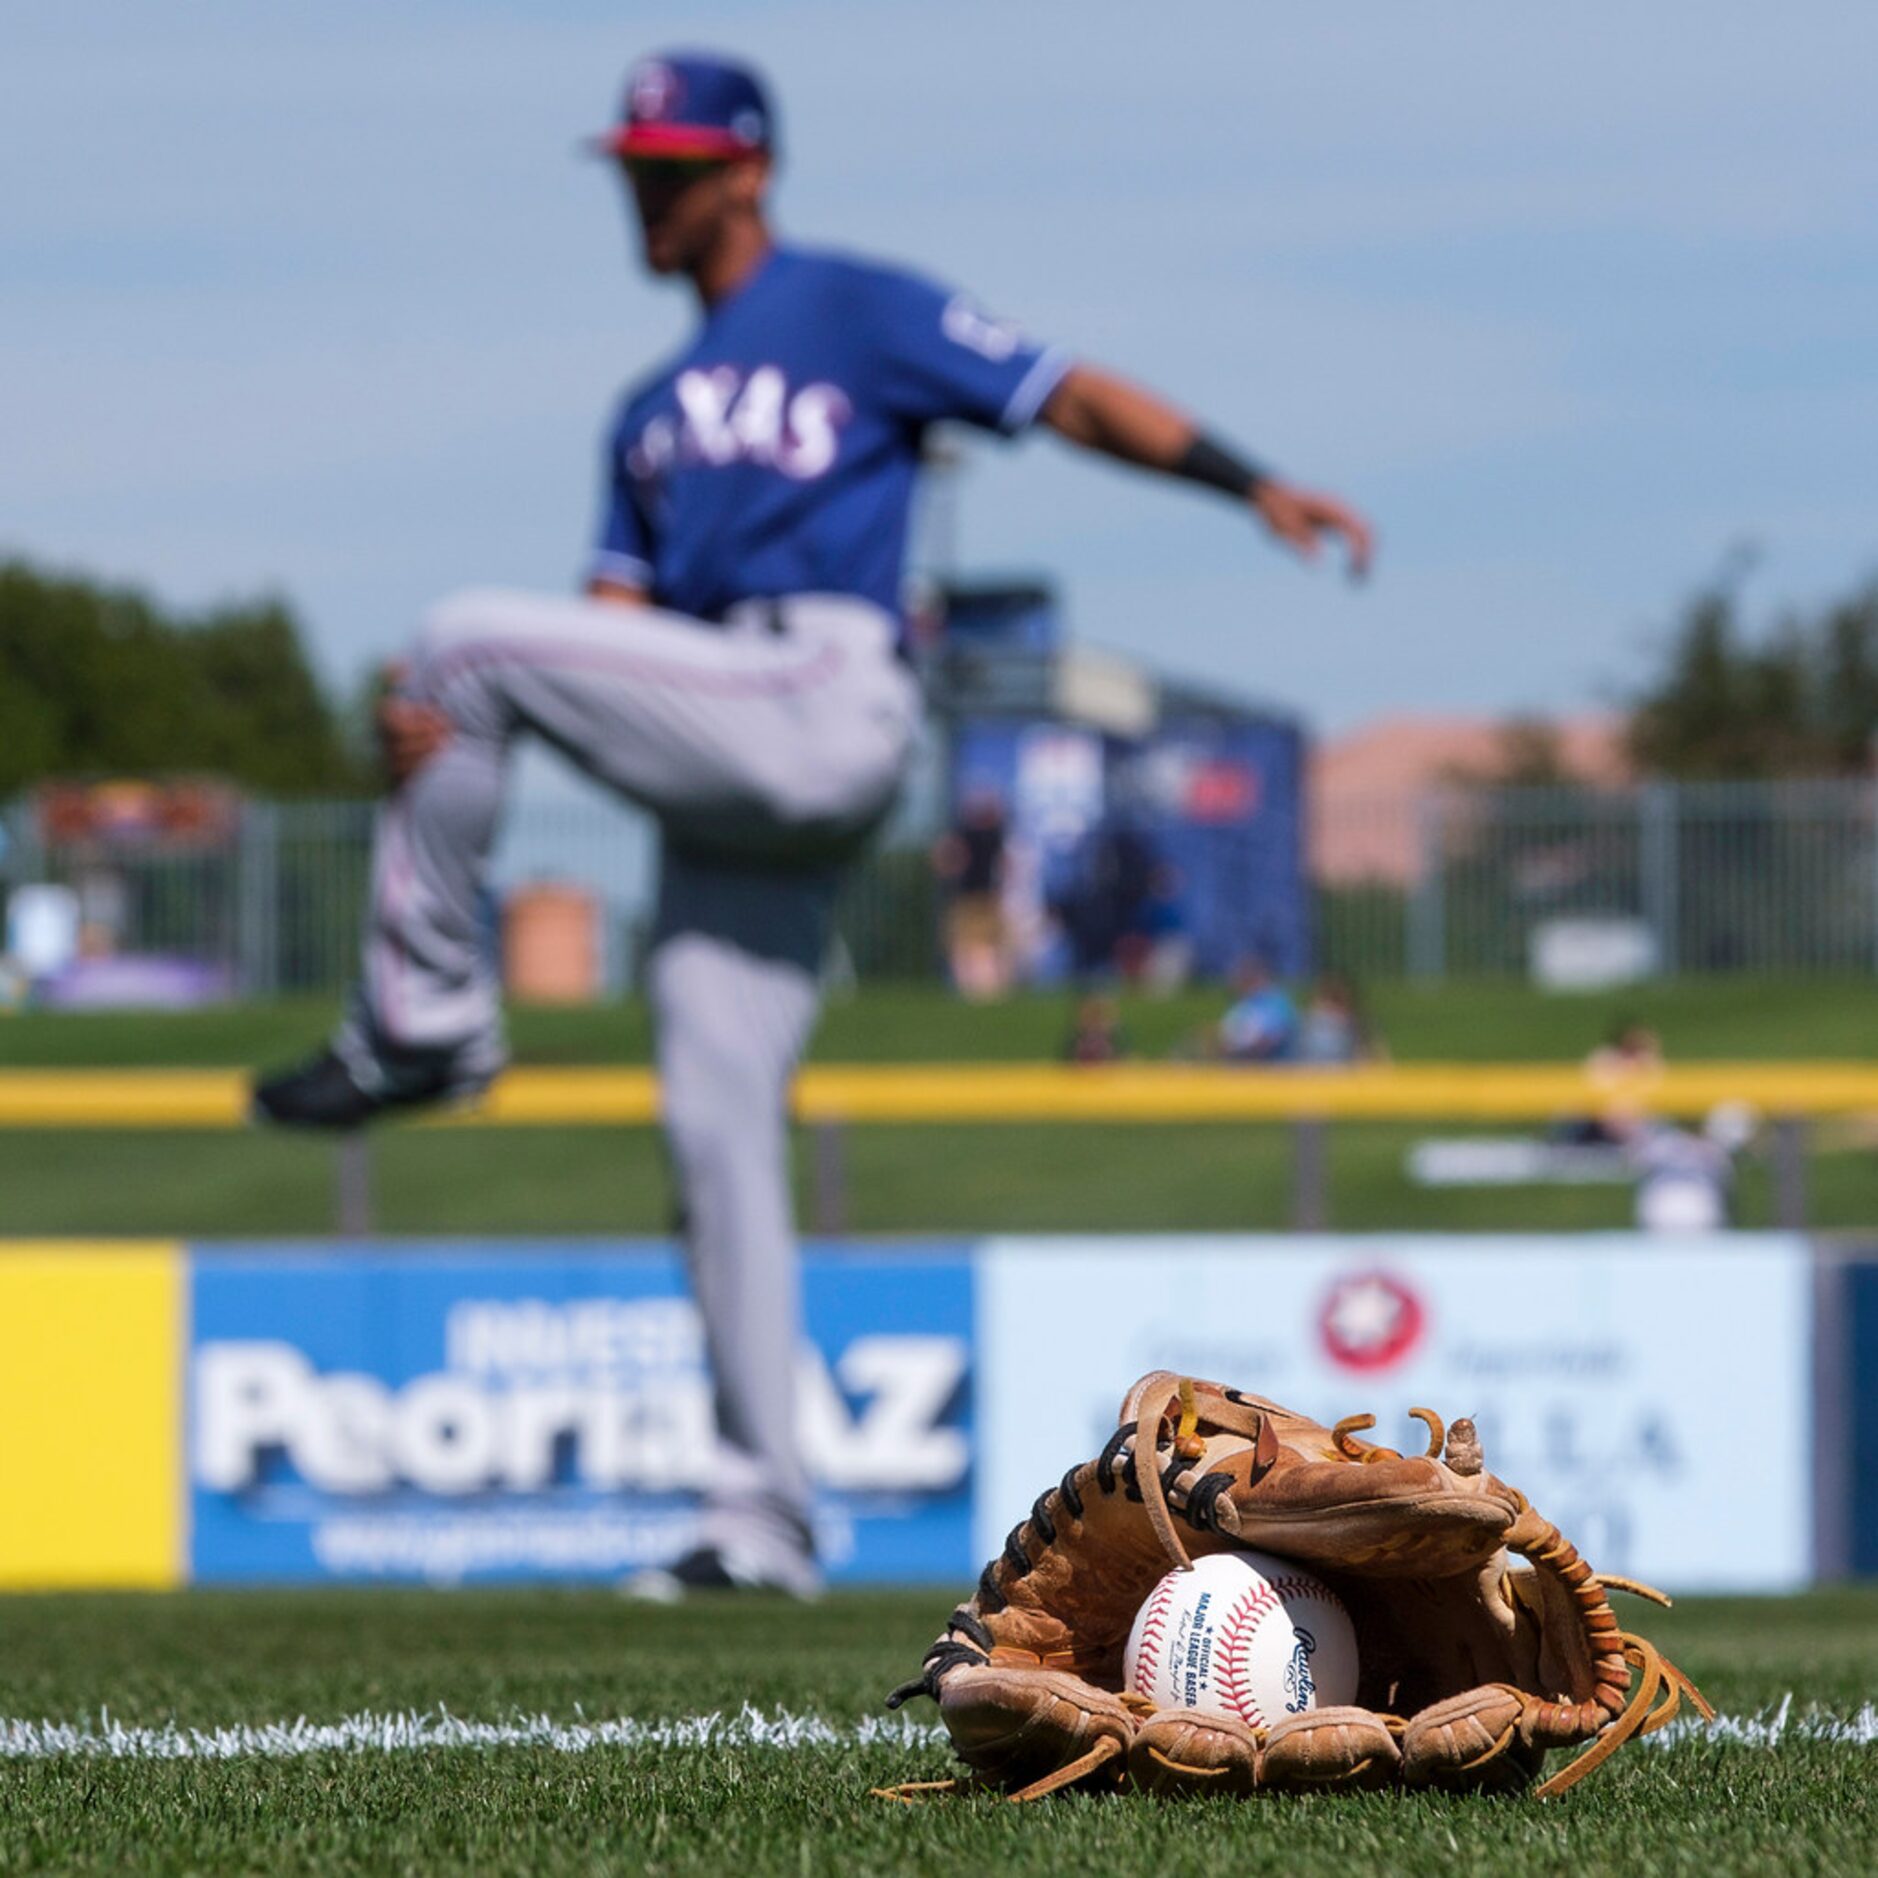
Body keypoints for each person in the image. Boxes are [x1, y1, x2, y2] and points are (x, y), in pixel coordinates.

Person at [252, 50, 1374, 1599]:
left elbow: (1067, 395)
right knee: (715, 1136)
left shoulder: (854, 304)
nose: (643, 190)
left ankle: (427, 1018)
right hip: (722, 736)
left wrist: (1251, 483)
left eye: (669, 162)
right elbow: (607, 639)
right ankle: (758, 1521)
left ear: (746, 170)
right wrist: (452, 738)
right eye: (630, 164)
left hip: (825, 684)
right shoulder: (643, 414)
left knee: (457, 635)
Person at [1212, 958, 1298, 1063]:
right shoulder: (1242, 1004)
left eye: (1244, 977)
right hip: (1244, 1060)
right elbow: (1227, 1034)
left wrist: (1240, 1052)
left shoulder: (1276, 1002)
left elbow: (1272, 1038)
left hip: (1273, 1065)